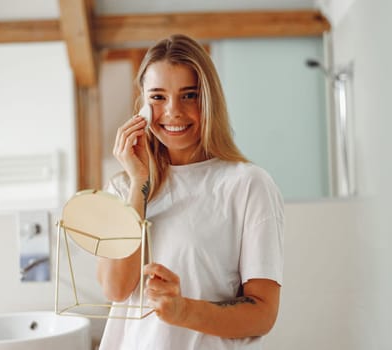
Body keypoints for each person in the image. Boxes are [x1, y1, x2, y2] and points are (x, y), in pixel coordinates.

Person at [97, 34, 284, 350]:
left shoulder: (248, 185)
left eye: (189, 95)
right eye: (158, 97)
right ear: (141, 105)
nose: (173, 112)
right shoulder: (123, 187)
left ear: (209, 100)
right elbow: (116, 288)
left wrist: (183, 310)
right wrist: (139, 184)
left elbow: (262, 314)